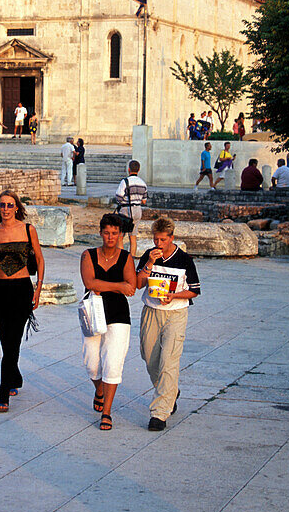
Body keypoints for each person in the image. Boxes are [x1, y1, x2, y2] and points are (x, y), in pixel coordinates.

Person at [0, 190, 44, 412]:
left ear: (17, 207)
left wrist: (39, 288)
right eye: (2, 205)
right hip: (0, 289)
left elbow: (40, 259)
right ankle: (14, 375)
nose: (6, 209)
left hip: (22, 288)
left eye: (10, 205)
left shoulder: (28, 230)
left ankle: (3, 389)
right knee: (4, 336)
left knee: (13, 337)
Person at [136, 216, 200, 431]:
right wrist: (150, 263)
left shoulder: (184, 259)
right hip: (151, 311)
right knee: (149, 357)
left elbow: (195, 290)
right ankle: (170, 390)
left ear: (172, 238)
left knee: (168, 361)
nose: (158, 244)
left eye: (163, 240)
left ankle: (159, 413)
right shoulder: (149, 255)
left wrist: (174, 295)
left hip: (176, 313)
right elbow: (138, 284)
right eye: (156, 239)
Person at [80, 214, 136, 431]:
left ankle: (107, 412)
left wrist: (105, 286)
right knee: (91, 362)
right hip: (92, 312)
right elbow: (88, 282)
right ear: (100, 233)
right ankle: (99, 389)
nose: (110, 237)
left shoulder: (126, 257)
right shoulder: (88, 255)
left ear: (120, 234)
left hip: (119, 314)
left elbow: (130, 287)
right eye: (106, 232)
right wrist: (118, 286)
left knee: (113, 362)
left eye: (115, 233)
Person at [115, 159, 148, 257]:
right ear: (138, 170)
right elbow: (144, 201)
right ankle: (131, 258)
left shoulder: (125, 181)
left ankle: (121, 258)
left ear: (129, 169)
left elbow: (119, 197)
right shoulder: (143, 183)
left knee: (120, 236)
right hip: (137, 210)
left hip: (126, 210)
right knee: (133, 236)